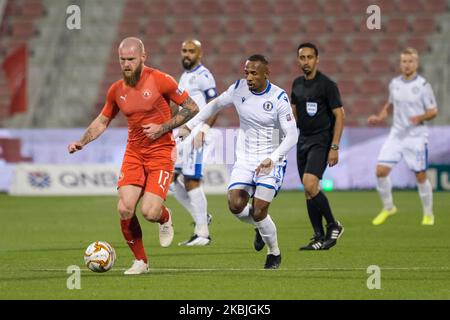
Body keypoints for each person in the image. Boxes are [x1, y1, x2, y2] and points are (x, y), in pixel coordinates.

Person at [67, 37, 199, 275]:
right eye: (122, 59)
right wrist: (81, 142)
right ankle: (141, 261)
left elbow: (192, 107)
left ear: (143, 57)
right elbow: (103, 120)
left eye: (131, 59)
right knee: (125, 208)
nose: (126, 64)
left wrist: (164, 127)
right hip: (134, 154)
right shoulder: (117, 90)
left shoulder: (161, 80)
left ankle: (164, 216)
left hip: (160, 152)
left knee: (149, 212)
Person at [179, 54, 298, 269]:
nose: (249, 77)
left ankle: (274, 252)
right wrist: (191, 125)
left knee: (260, 209)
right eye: (247, 73)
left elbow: (292, 135)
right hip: (246, 158)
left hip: (271, 159)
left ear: (266, 73)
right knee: (235, 205)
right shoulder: (238, 88)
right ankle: (260, 228)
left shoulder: (279, 98)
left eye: (254, 73)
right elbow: (213, 105)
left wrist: (273, 158)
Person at [368, 47, 438, 226]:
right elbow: (390, 104)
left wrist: (420, 117)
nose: (407, 65)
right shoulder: (395, 83)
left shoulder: (423, 86)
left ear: (416, 63)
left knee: (420, 175)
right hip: (397, 134)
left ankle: (428, 214)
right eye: (404, 61)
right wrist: (381, 116)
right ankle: (389, 207)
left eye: (411, 61)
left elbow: (433, 111)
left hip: (416, 137)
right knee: (380, 171)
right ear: (400, 64)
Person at [291, 42, 345, 251]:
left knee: (310, 183)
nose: (306, 61)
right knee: (308, 190)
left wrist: (335, 146)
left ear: (317, 59)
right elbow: (293, 113)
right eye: (302, 58)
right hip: (302, 140)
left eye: (309, 57)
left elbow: (339, 115)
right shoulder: (296, 84)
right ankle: (319, 236)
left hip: (321, 140)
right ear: (298, 60)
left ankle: (333, 224)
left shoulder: (327, 85)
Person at [171, 39, 218, 246]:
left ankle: (203, 234)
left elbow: (214, 105)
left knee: (191, 180)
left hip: (197, 134)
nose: (186, 54)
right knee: (171, 181)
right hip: (182, 135)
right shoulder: (185, 76)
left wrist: (204, 130)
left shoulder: (204, 76)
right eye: (184, 51)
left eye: (191, 51)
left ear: (200, 54)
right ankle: (202, 217)